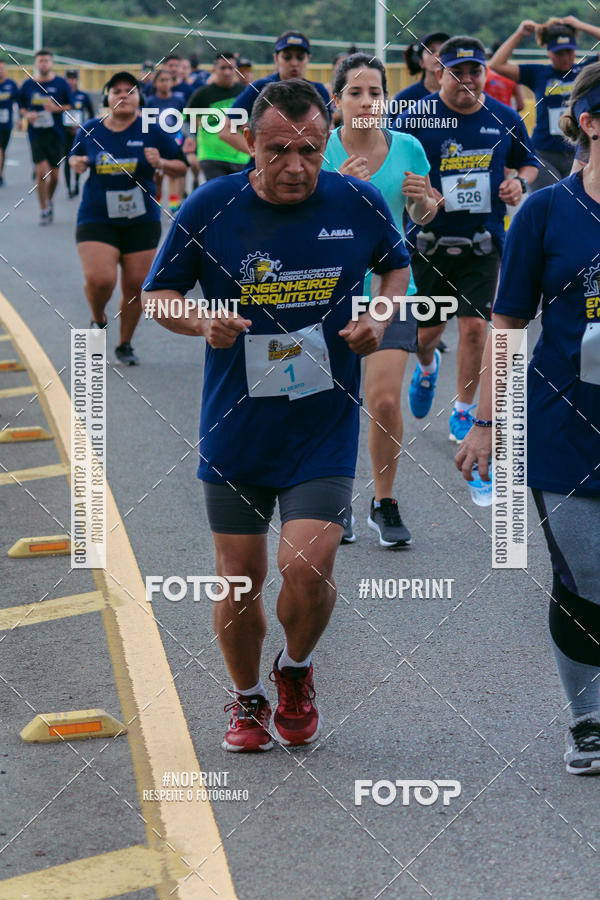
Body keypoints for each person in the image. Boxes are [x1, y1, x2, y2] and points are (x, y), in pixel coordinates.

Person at [141, 80, 411, 752]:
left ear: (325, 145)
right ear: (250, 144)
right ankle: (247, 697)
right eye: (278, 151)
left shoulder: (357, 201)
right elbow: (159, 296)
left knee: (310, 563)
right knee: (239, 579)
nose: (295, 166)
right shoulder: (211, 206)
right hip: (237, 423)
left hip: (321, 421)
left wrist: (380, 315)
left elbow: (395, 272)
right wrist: (202, 320)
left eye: (310, 151)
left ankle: (294, 671)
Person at [457, 63, 600, 775]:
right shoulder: (546, 211)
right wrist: (484, 421)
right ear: (591, 123)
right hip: (565, 421)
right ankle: (588, 717)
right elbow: (507, 320)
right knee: (585, 576)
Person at [398, 36, 538, 443]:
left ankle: (463, 409)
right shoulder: (414, 116)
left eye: (475, 70)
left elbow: (527, 163)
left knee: (476, 327)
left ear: (485, 73)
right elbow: (391, 164)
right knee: (427, 335)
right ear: (439, 72)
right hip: (427, 240)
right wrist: (422, 192)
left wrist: (519, 186)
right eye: (457, 71)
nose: (467, 79)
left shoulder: (505, 116)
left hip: (482, 242)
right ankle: (426, 369)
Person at [322, 53, 437, 547]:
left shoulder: (409, 146)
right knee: (329, 402)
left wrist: (422, 202)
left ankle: (383, 502)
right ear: (336, 101)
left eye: (375, 93)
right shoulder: (321, 151)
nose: (366, 102)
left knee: (385, 399)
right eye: (355, 92)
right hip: (326, 292)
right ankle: (330, 502)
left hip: (393, 291)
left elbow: (426, 211)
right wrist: (345, 189)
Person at [69, 71, 187, 364]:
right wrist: (78, 162)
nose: (123, 95)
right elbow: (73, 157)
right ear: (107, 96)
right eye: (117, 90)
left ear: (139, 98)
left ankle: (125, 344)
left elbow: (181, 167)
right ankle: (98, 319)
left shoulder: (152, 130)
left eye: (130, 90)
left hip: (141, 219)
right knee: (100, 280)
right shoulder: (91, 129)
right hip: (97, 216)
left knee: (135, 285)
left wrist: (161, 162)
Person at [489, 17, 600, 190]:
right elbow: (496, 64)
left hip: (581, 152)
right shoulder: (539, 73)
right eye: (559, 53)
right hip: (546, 154)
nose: (565, 58)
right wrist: (519, 34)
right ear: (549, 52)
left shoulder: (586, 71)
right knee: (548, 206)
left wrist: (580, 25)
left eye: (569, 52)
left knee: (578, 206)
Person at [219, 31, 331, 155]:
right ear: (276, 58)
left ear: (308, 59)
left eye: (300, 57)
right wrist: (259, 154)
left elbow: (326, 133)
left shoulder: (319, 91)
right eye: (287, 57)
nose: (294, 63)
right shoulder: (260, 87)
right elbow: (226, 130)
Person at [18, 49, 73, 224]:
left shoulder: (61, 83)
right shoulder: (28, 85)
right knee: (41, 173)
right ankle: (43, 209)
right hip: (36, 134)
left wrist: (55, 108)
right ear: (36, 63)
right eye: (40, 61)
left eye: (46, 61)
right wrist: (27, 116)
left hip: (56, 134)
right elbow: (22, 107)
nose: (43, 64)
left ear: (51, 63)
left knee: (55, 176)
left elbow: (70, 105)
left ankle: (49, 201)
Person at [187, 52, 250, 181]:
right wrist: (191, 140)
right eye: (223, 68)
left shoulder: (244, 92)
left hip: (241, 155)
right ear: (214, 70)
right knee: (220, 196)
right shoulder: (202, 94)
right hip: (211, 156)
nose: (227, 72)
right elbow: (186, 121)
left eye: (230, 68)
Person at [146, 67, 185, 210]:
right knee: (157, 176)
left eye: (168, 80)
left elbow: (184, 121)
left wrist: (181, 139)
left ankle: (174, 205)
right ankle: (157, 203)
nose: (165, 83)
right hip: (155, 143)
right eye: (162, 80)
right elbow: (146, 124)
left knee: (172, 173)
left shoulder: (178, 100)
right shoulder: (150, 101)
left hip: (173, 142)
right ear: (155, 83)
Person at [393, 32, 449, 108]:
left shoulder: (462, 95)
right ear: (421, 62)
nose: (438, 54)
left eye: (444, 51)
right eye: (431, 51)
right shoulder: (404, 99)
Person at [63, 70, 94, 198]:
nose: (71, 81)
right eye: (69, 79)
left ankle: (76, 183)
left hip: (78, 132)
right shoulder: (62, 96)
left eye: (73, 78)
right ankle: (68, 187)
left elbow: (91, 114)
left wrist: (83, 127)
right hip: (65, 132)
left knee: (76, 157)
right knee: (66, 159)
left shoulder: (82, 95)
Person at [0, 59, 19, 186]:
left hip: (6, 124)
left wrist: (22, 118)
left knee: (3, 150)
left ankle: (1, 174)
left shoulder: (11, 84)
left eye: (2, 68)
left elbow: (20, 102)